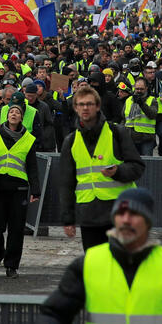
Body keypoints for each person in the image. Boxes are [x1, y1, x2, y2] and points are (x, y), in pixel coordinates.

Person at [39, 188, 162, 324]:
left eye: (134, 214)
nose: (126, 220)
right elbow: (53, 313)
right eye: (121, 213)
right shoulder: (88, 264)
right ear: (113, 219)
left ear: (148, 222)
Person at [59, 87, 144, 250]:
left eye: (89, 104)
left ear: (98, 106)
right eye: (81, 104)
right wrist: (68, 219)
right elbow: (66, 183)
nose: (85, 108)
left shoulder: (116, 132)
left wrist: (118, 171)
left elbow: (137, 167)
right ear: (75, 108)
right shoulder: (70, 141)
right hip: (88, 215)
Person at [0, 102, 41, 278]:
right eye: (11, 111)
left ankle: (11, 265)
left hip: (19, 189)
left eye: (17, 112)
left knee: (16, 229)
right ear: (6, 115)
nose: (14, 114)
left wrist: (36, 190)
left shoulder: (29, 139)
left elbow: (32, 166)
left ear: (21, 117)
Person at [123, 79, 158, 157]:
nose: (139, 91)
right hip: (131, 138)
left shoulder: (152, 100)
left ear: (146, 88)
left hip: (146, 138)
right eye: (137, 89)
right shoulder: (129, 100)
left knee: (147, 164)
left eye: (141, 89)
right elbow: (123, 117)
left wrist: (141, 103)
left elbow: (152, 114)